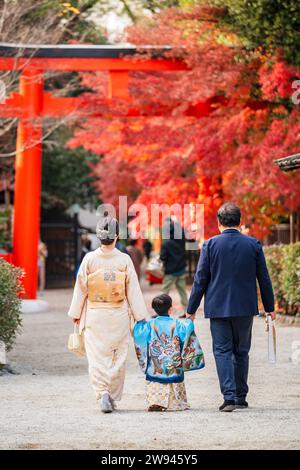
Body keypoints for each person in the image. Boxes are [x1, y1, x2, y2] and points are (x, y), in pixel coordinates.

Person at [186, 202, 275, 412]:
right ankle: (241, 396)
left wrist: (191, 309)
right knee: (242, 351)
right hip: (245, 306)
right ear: (240, 222)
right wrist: (270, 307)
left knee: (222, 350)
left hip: (217, 306)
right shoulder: (253, 244)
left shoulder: (210, 245)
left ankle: (229, 396)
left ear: (219, 223)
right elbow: (264, 278)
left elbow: (200, 280)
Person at [67, 211, 148, 413]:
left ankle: (102, 392)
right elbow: (133, 290)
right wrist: (140, 316)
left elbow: (81, 287)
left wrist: (76, 312)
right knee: (117, 356)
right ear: (117, 236)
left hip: (95, 313)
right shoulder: (124, 260)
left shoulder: (89, 259)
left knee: (96, 357)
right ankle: (111, 393)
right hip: (117, 313)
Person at [133, 294, 205, 412]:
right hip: (173, 362)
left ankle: (156, 401)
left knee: (156, 377)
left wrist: (138, 322)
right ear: (170, 309)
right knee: (173, 376)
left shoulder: (150, 324)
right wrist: (190, 320)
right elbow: (186, 332)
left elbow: (139, 333)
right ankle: (175, 403)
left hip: (156, 363)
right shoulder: (177, 324)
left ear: (154, 309)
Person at [160, 219, 188, 315]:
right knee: (182, 291)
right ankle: (187, 311)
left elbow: (163, 257)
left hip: (170, 271)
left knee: (165, 291)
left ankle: (162, 311)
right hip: (181, 269)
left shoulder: (166, 243)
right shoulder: (182, 241)